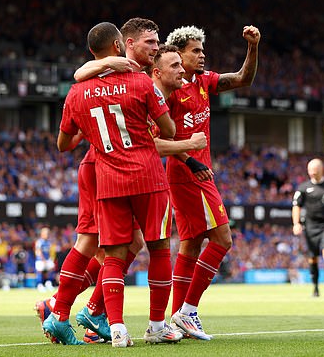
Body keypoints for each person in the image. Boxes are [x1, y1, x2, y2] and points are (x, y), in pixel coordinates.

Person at [38, 19, 205, 346]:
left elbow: (65, 137)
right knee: (94, 241)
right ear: (124, 45)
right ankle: (61, 310)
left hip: (110, 172)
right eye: (150, 43)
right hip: (112, 170)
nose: (155, 48)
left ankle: (98, 314)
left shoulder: (90, 86)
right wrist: (189, 145)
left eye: (158, 44)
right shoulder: (138, 82)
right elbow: (159, 137)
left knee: (128, 246)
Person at [164, 24, 260, 340]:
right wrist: (191, 161)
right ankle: (189, 311)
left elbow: (243, 79)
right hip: (188, 172)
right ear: (178, 54)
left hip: (197, 171)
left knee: (191, 244)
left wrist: (253, 47)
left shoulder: (205, 81)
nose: (202, 55)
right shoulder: (168, 89)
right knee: (222, 239)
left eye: (203, 50)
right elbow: (162, 138)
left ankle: (177, 318)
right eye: (196, 50)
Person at [292, 158, 324, 298]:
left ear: (321, 170)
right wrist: (296, 223)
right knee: (312, 258)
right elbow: (296, 206)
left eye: (314, 171)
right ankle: (315, 287)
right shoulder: (303, 188)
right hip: (310, 227)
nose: (312, 173)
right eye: (310, 171)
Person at [34, 227, 55, 291]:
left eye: (48, 233)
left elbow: (49, 251)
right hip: (40, 259)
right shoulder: (39, 242)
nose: (47, 235)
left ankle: (48, 283)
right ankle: (39, 285)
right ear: (42, 234)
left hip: (47, 259)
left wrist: (50, 258)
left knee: (51, 269)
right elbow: (38, 251)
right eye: (46, 233)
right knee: (40, 271)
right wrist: (43, 259)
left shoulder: (48, 242)